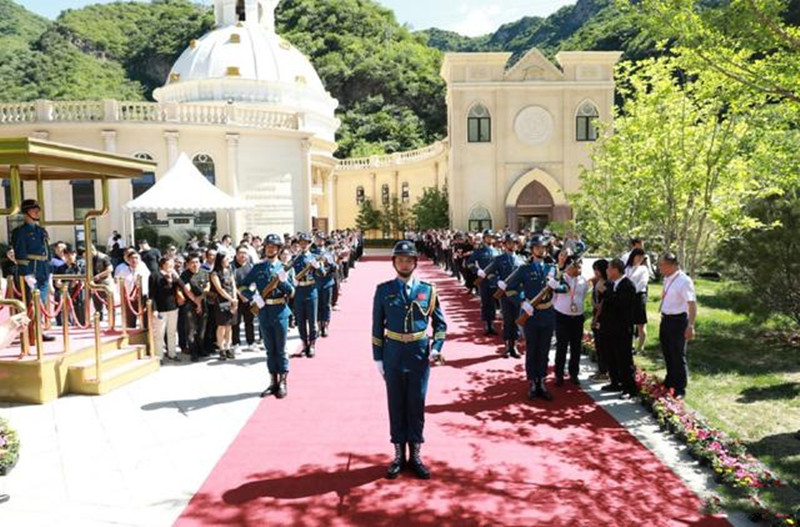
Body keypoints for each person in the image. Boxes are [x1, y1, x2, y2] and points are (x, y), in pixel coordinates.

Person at [372, 240, 447, 480]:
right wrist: (378, 358)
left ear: (415, 262)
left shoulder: (428, 290)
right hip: (393, 353)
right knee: (396, 404)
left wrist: (436, 348)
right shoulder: (383, 290)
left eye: (408, 259)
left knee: (416, 404)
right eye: (400, 259)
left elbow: (440, 325)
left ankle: (415, 453)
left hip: (418, 353)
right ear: (394, 262)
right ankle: (398, 454)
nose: (404, 263)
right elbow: (376, 327)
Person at [504, 234, 564, 401]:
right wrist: (522, 302)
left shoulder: (552, 268)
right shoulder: (524, 269)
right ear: (532, 250)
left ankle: (542, 381)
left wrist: (557, 286)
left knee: (544, 350)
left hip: (548, 314)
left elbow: (564, 287)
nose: (541, 250)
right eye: (538, 247)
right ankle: (532, 382)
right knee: (532, 350)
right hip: (530, 315)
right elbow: (510, 289)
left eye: (543, 247)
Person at [239, 234, 294, 398]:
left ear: (278, 249)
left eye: (274, 247)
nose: (270, 249)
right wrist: (253, 297)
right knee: (270, 350)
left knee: (281, 350)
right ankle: (273, 381)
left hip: (280, 311)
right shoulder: (258, 268)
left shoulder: (284, 268)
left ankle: (283, 381)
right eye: (268, 246)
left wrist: (284, 282)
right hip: (263, 312)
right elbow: (242, 286)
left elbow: (292, 292)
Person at [12, 199, 56, 342]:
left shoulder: (41, 230)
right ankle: (27, 334)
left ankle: (38, 331)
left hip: (43, 270)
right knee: (29, 303)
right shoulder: (20, 232)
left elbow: (47, 253)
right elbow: (20, 254)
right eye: (33, 209)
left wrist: (50, 272)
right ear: (26, 212)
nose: (37, 212)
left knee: (41, 303)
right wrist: (26, 274)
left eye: (38, 209)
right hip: (31, 270)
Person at [658, 252, 697, 398]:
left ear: (671, 265)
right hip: (666, 319)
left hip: (679, 321)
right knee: (667, 351)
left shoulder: (684, 281)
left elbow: (692, 304)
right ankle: (670, 381)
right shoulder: (667, 278)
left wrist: (690, 325)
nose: (659, 268)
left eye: (662, 265)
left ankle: (680, 388)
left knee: (677, 354)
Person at [599, 259, 637, 398]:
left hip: (622, 329)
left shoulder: (628, 286)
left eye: (609, 269)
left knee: (624, 359)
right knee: (611, 356)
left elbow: (621, 306)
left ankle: (629, 388)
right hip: (609, 327)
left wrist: (607, 293)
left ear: (615, 270)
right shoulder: (610, 284)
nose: (607, 271)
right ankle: (615, 382)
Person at [552, 255, 589, 386]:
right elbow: (553, 297)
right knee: (561, 346)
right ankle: (559, 374)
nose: (579, 268)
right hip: (562, 316)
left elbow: (583, 295)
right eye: (576, 265)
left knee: (576, 347)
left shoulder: (583, 280)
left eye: (580, 265)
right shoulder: (560, 279)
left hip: (577, 317)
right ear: (569, 266)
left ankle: (574, 374)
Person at [490, 233, 525, 358]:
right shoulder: (499, 259)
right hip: (504, 294)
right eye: (509, 243)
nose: (512, 245)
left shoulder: (521, 260)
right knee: (507, 319)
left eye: (514, 243)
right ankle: (506, 345)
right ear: (505, 245)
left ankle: (514, 345)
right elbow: (490, 274)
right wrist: (497, 282)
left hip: (517, 294)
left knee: (516, 320)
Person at [149, 257, 184, 363]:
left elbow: (182, 286)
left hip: (173, 307)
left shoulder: (173, 275)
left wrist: (176, 277)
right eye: (169, 264)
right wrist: (154, 309)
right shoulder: (155, 275)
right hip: (160, 309)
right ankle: (159, 356)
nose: (171, 267)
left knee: (172, 332)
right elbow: (152, 294)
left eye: (172, 265)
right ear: (162, 264)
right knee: (159, 333)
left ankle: (172, 353)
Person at [468, 230, 501, 336]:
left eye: (491, 237)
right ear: (484, 238)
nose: (490, 239)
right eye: (488, 237)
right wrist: (477, 271)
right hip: (484, 280)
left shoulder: (498, 251)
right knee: (486, 302)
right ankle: (488, 324)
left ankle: (495, 322)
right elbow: (469, 263)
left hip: (496, 280)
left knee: (496, 303)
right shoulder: (479, 251)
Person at [292, 233, 320, 357]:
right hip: (299, 291)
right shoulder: (295, 258)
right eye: (301, 243)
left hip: (311, 290)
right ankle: (304, 343)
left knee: (312, 321)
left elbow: (322, 273)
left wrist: (317, 267)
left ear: (310, 244)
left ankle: (312, 344)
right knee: (301, 320)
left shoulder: (314, 257)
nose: (303, 245)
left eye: (306, 242)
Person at [209, 252, 238, 360]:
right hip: (221, 301)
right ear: (221, 260)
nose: (229, 260)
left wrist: (234, 299)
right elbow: (219, 289)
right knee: (222, 325)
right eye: (227, 258)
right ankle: (221, 348)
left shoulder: (229, 270)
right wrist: (230, 299)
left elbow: (234, 285)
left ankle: (228, 346)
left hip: (232, 300)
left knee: (229, 325)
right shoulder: (214, 273)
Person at [180, 253, 208, 362]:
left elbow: (207, 286)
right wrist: (197, 303)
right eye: (192, 262)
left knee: (202, 328)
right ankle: (193, 352)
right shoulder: (185, 275)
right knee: (191, 329)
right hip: (190, 305)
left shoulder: (204, 273)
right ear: (187, 264)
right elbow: (187, 290)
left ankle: (201, 349)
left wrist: (200, 301)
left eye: (197, 262)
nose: (195, 264)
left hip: (203, 303)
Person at [115, 249, 151, 329]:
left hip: (143, 296)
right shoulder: (122, 269)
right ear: (128, 260)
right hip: (129, 298)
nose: (134, 260)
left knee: (145, 320)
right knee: (130, 320)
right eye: (132, 258)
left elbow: (148, 280)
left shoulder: (143, 267)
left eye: (136, 258)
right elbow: (118, 283)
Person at [589, 259, 610, 382]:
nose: (595, 272)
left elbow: (603, 302)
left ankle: (604, 371)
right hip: (595, 313)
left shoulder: (607, 284)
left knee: (603, 345)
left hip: (602, 317)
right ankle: (601, 369)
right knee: (597, 344)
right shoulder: (597, 281)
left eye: (597, 269)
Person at [625, 248, 650, 354]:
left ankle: (640, 347)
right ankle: (629, 345)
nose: (639, 259)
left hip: (639, 296)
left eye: (642, 257)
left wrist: (632, 291)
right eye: (638, 256)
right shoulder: (627, 268)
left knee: (640, 323)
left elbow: (643, 282)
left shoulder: (643, 269)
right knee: (628, 322)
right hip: (627, 296)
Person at [232, 246, 255, 352]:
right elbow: (232, 285)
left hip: (249, 299)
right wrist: (241, 295)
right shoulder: (232, 267)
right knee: (236, 322)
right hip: (236, 299)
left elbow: (255, 283)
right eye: (240, 253)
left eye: (245, 253)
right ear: (236, 254)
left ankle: (251, 343)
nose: (242, 255)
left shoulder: (251, 267)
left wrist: (250, 295)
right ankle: (236, 344)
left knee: (249, 321)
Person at [314, 235, 338, 338]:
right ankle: (319, 325)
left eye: (321, 239)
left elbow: (335, 268)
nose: (319, 241)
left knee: (326, 305)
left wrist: (331, 263)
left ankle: (325, 325)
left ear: (324, 241)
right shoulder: (312, 253)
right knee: (318, 305)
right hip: (316, 282)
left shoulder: (329, 252)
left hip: (327, 282)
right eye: (317, 239)